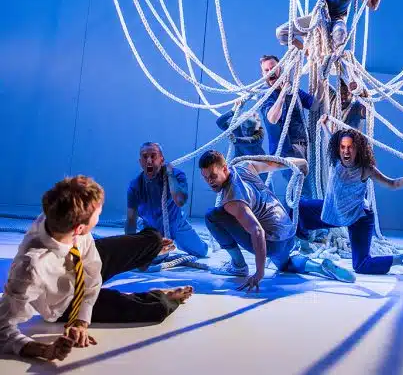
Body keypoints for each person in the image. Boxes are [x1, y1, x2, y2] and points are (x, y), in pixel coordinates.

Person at [0, 176, 192, 360]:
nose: (99, 216)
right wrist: (46, 349)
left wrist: (82, 321)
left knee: (153, 240)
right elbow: (2, 330)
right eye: (98, 215)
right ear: (79, 228)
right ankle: (160, 295)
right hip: (65, 301)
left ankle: (151, 253)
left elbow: (92, 270)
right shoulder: (30, 269)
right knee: (157, 309)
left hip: (81, 258)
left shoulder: (61, 213)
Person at [199, 150, 355, 289]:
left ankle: (238, 266)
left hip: (273, 242)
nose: (210, 182)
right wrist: (300, 162)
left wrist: (259, 273)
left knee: (213, 216)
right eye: (205, 178)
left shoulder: (233, 201)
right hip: (289, 234)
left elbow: (257, 231)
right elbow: (275, 163)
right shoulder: (244, 166)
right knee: (285, 264)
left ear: (224, 168)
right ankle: (320, 267)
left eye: (213, 176)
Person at [295, 116, 403, 275]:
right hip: (335, 210)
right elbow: (329, 138)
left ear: (358, 149)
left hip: (359, 216)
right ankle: (300, 244)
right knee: (298, 208)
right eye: (343, 147)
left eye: (350, 147)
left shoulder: (366, 169)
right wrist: (324, 124)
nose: (346, 151)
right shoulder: (335, 160)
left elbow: (393, 184)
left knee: (361, 265)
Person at [275, 0, 382, 80]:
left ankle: (331, 62)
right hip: (318, 16)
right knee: (281, 33)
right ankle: (310, 54)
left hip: (337, 20)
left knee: (340, 34)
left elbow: (373, 5)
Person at [126, 142, 209, 259]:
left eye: (153, 156)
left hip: (176, 224)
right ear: (140, 162)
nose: (149, 161)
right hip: (151, 228)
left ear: (162, 159)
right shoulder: (135, 186)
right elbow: (131, 219)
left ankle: (180, 241)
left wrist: (170, 175)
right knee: (156, 259)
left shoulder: (177, 175)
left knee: (202, 251)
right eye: (145, 157)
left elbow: (180, 201)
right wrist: (129, 247)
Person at [259, 55, 322, 168]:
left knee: (316, 178)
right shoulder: (265, 94)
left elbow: (315, 106)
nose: (270, 72)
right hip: (286, 153)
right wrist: (283, 93)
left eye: (273, 68)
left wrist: (322, 79)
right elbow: (272, 119)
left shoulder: (293, 90)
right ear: (263, 74)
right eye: (266, 70)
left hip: (306, 147)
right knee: (301, 180)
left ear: (281, 68)